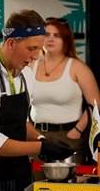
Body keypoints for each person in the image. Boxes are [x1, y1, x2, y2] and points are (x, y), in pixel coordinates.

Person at [0, 10, 74, 191]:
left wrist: (41, 139)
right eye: (31, 48)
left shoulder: (26, 75)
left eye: (39, 49)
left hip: (21, 174)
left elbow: (19, 122)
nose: (36, 56)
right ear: (11, 43)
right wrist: (40, 148)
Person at [29, 17, 100, 164]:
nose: (51, 39)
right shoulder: (31, 65)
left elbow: (95, 103)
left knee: (67, 179)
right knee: (35, 178)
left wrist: (78, 130)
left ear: (65, 40)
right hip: (37, 136)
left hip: (68, 135)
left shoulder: (78, 67)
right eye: (47, 34)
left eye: (57, 35)